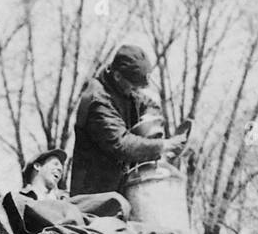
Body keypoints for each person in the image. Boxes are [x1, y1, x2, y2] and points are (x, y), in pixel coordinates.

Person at [71, 44, 186, 197]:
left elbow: (149, 104)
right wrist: (163, 146)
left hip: (119, 190)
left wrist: (149, 123)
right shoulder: (97, 101)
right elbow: (121, 144)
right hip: (93, 197)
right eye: (133, 87)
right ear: (118, 76)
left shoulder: (122, 87)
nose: (136, 92)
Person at [21, 147, 129, 219]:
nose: (60, 169)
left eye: (61, 167)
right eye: (55, 164)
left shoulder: (67, 199)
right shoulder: (21, 199)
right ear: (37, 166)